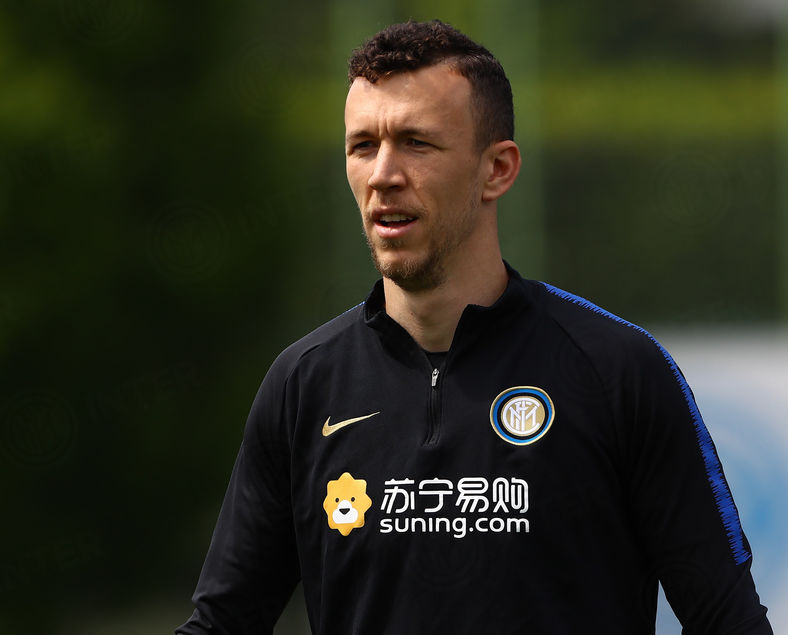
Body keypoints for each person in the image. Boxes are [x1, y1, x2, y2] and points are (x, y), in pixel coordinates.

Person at [177, 20, 772, 634]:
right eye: (363, 146)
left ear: (498, 170)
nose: (383, 174)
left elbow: (728, 622)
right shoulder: (304, 385)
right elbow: (222, 624)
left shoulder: (617, 371)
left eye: (416, 142)